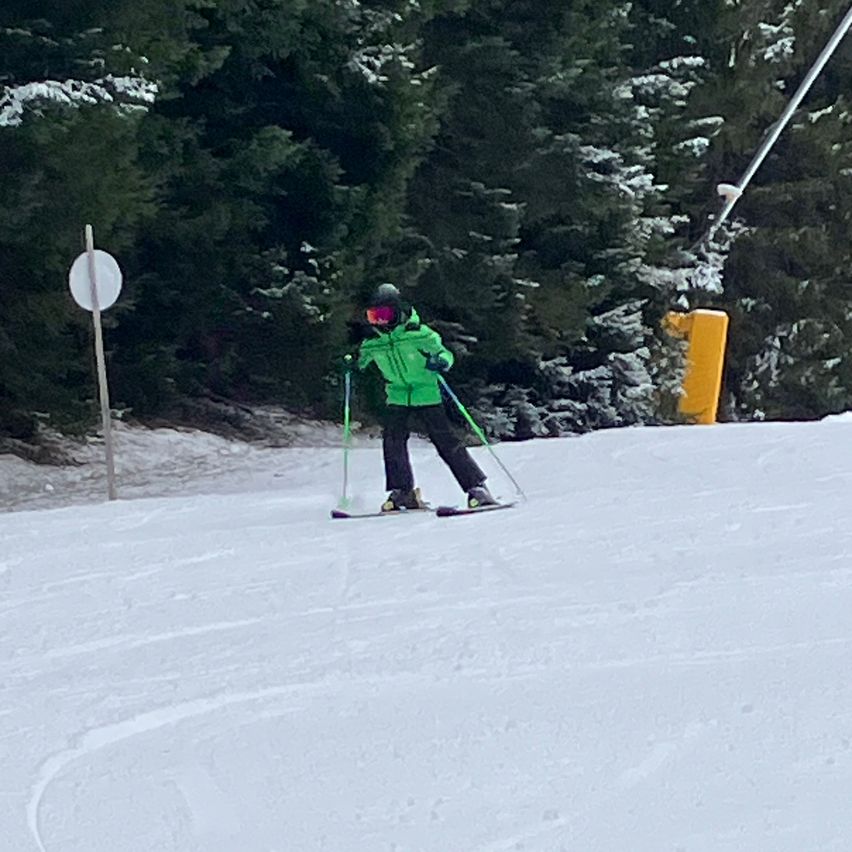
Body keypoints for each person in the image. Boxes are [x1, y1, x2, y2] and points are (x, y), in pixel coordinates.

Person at [354, 283, 497, 512]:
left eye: (384, 315)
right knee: (392, 441)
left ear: (398, 311)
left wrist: (441, 361)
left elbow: (445, 354)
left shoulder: (420, 335)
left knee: (445, 440)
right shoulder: (374, 343)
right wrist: (350, 363)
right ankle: (403, 492)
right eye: (373, 316)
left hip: (425, 392)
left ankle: (476, 488)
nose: (379, 322)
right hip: (397, 395)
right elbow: (359, 362)